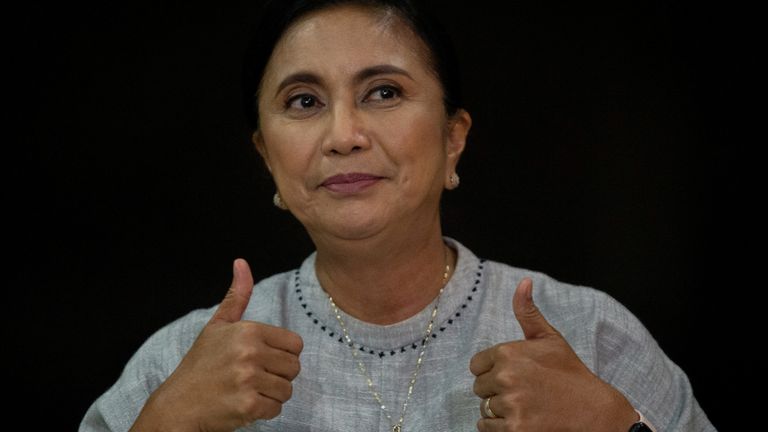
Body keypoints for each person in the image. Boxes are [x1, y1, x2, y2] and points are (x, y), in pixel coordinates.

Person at [80, 0, 716, 431]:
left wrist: (619, 429)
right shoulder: (182, 362)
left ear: (452, 138)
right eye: (303, 101)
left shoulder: (587, 333)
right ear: (266, 157)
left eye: (383, 92)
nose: (344, 134)